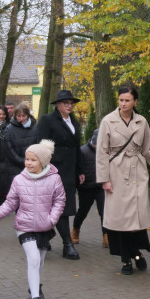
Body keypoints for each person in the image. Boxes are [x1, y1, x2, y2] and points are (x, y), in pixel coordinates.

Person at [0, 139, 66, 299]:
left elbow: (60, 200)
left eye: (33, 160)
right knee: (34, 259)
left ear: (43, 162)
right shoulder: (19, 180)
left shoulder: (54, 179)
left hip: (45, 226)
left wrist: (52, 219)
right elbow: (10, 203)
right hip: (24, 225)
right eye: (27, 159)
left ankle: (35, 287)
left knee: (40, 261)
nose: (28, 162)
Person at [96, 85, 150, 274]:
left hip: (137, 173)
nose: (123, 103)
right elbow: (101, 153)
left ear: (135, 102)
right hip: (116, 173)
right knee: (120, 222)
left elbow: (149, 149)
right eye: (121, 100)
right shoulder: (108, 121)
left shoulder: (141, 121)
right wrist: (104, 179)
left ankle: (137, 253)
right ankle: (126, 259)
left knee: (136, 221)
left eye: (127, 100)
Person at [34, 90, 85, 259]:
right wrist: (44, 169)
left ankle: (46, 236)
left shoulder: (74, 122)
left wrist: (81, 170)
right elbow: (40, 146)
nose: (69, 106)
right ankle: (67, 243)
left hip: (70, 171)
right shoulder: (47, 120)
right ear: (58, 104)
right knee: (58, 206)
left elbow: (77, 148)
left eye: (71, 103)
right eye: (65, 103)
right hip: (53, 170)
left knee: (65, 206)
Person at [0, 103, 36, 202]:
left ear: (28, 115)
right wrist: (23, 161)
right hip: (15, 168)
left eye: (24, 116)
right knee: (20, 198)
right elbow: (9, 150)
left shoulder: (35, 127)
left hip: (33, 166)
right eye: (19, 116)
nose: (21, 118)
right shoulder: (9, 129)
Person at [72, 129, 104, 246]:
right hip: (86, 187)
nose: (97, 147)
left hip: (100, 187)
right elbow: (77, 169)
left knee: (104, 212)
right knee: (83, 211)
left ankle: (106, 236)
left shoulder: (105, 151)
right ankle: (75, 229)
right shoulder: (82, 151)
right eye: (96, 144)